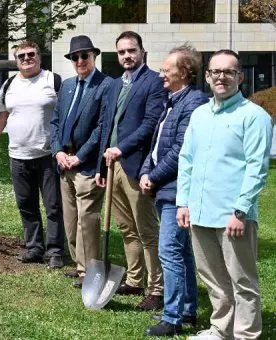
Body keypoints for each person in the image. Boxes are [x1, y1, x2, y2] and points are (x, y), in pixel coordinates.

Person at [177, 50, 272, 340]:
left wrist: (241, 211)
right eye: (215, 71)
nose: (221, 77)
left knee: (242, 281)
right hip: (200, 213)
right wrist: (184, 202)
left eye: (228, 72)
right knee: (214, 280)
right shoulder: (199, 114)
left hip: (234, 216)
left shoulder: (254, 116)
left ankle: (245, 335)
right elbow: (187, 159)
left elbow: (257, 168)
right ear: (207, 76)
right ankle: (221, 329)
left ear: (240, 77)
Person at [0, 40, 66, 269]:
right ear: (16, 60)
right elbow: (0, 119)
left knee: (53, 206)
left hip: (48, 155)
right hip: (18, 156)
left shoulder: (54, 81)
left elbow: (66, 116)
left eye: (31, 54)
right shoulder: (9, 84)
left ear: (39, 56)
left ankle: (55, 252)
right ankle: (34, 248)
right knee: (26, 205)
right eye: (21, 56)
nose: (26, 59)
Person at [139, 44, 208, 336]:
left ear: (185, 72)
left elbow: (181, 150)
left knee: (169, 251)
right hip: (164, 187)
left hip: (176, 190)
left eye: (166, 69)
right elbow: (155, 144)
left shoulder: (194, 102)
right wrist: (145, 170)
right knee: (181, 252)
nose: (161, 74)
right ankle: (188, 310)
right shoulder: (172, 100)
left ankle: (173, 317)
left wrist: (153, 176)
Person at [96, 31, 167, 311]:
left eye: (132, 50)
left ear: (142, 52)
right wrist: (103, 165)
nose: (127, 56)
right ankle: (135, 279)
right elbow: (107, 125)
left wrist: (121, 149)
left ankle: (156, 289)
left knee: (146, 230)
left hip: (137, 166)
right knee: (126, 229)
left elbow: (150, 124)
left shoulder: (153, 83)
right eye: (122, 52)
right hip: (112, 166)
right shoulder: (114, 85)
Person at [50, 35, 110, 287]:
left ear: (94, 56)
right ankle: (79, 263)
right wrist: (57, 152)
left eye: (85, 55)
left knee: (88, 220)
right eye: (75, 57)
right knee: (71, 221)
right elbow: (55, 122)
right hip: (65, 164)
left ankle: (89, 270)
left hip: (85, 165)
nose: (80, 60)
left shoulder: (106, 85)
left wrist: (80, 156)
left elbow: (101, 128)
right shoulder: (66, 86)